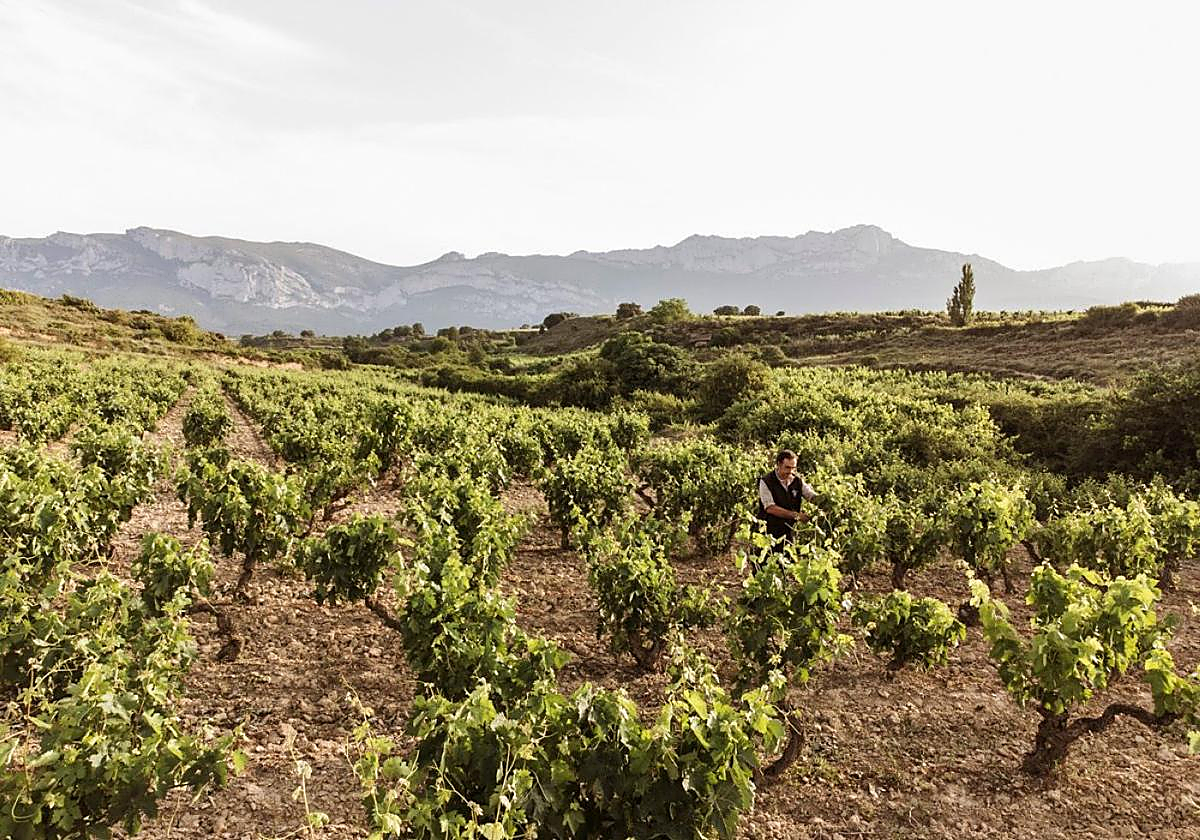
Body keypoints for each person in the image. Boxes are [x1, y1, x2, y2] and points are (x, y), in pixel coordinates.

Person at [756, 449, 817, 542]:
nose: (791, 471)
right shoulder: (766, 481)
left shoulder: (797, 481)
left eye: (793, 468)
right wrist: (797, 516)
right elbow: (770, 508)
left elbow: (810, 495)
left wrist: (825, 500)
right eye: (787, 467)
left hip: (789, 532)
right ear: (779, 464)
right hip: (769, 533)